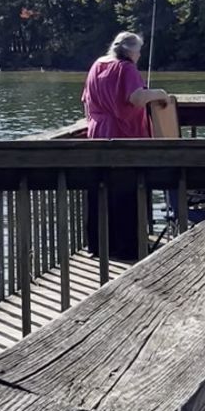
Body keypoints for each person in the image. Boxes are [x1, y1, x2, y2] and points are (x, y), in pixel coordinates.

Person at [82, 31, 168, 260]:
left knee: (101, 191)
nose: (139, 56)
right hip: (125, 136)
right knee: (127, 192)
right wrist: (160, 94)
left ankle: (99, 246)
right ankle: (127, 248)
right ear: (131, 51)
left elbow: (86, 102)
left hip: (97, 134)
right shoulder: (126, 67)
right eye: (139, 51)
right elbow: (137, 98)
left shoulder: (97, 65)